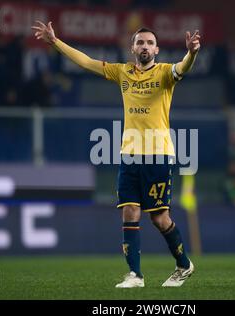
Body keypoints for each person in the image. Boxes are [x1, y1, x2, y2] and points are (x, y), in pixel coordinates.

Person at [32, 21, 200, 288]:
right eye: (140, 42)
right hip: (129, 155)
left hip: (158, 154)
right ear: (132, 48)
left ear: (156, 49)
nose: (144, 46)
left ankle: (183, 265)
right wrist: (55, 42)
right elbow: (87, 62)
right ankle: (135, 275)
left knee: (159, 218)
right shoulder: (123, 73)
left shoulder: (166, 73)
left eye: (149, 42)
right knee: (130, 212)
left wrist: (191, 53)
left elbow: (183, 67)